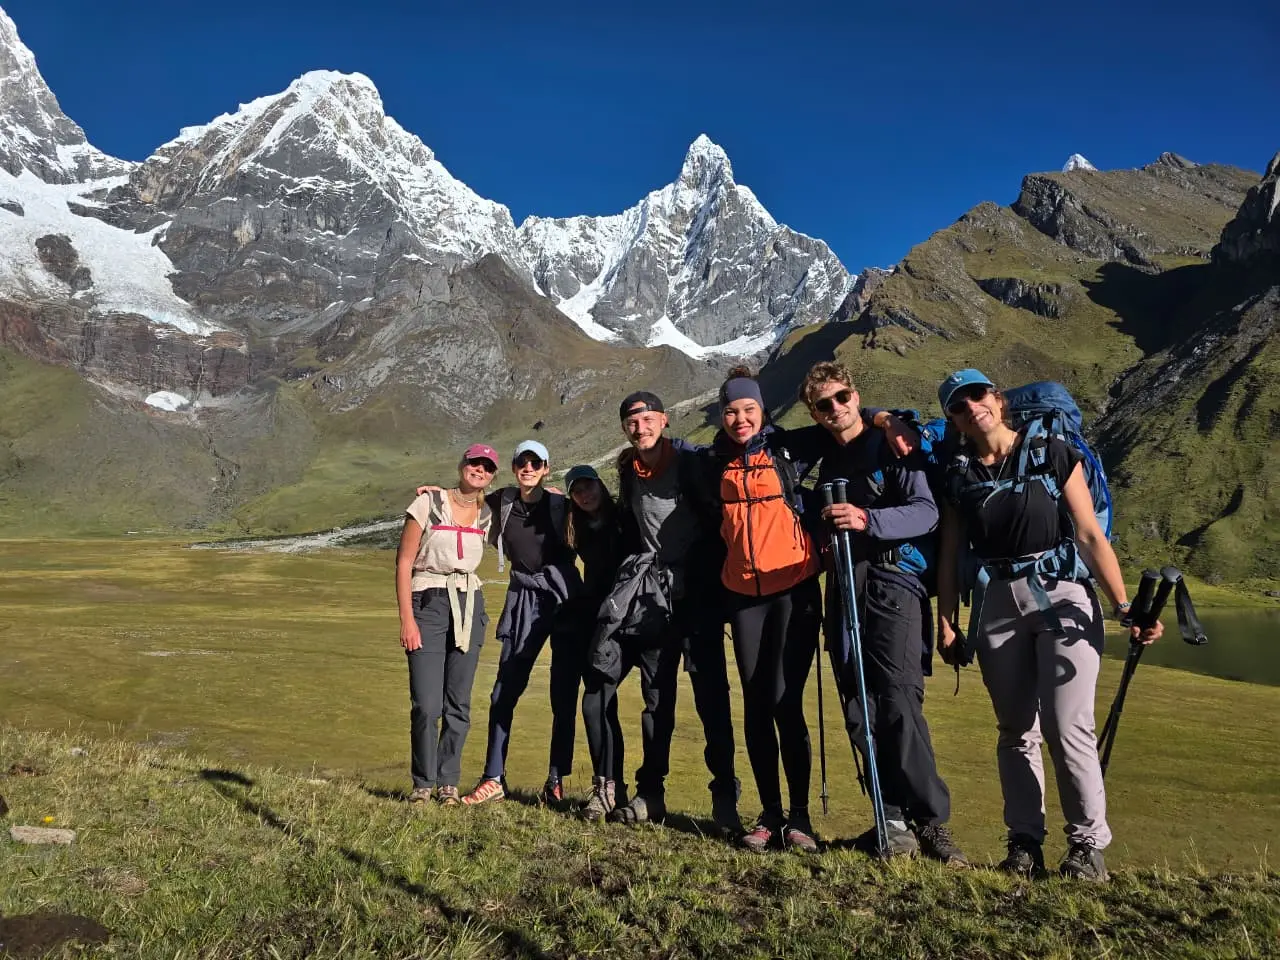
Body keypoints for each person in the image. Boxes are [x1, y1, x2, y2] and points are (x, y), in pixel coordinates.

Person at [934, 368, 1163, 881]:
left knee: (1067, 725)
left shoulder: (1054, 452)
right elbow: (949, 556)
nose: (972, 407)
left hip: (1063, 594)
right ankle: (1024, 844)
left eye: (977, 394)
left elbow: (1088, 534)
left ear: (996, 397)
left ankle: (1087, 846)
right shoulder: (958, 475)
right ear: (954, 419)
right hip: (997, 604)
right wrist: (946, 622)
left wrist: (1124, 606)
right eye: (958, 404)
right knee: (1015, 729)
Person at [794, 362, 966, 864]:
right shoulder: (826, 451)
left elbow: (926, 511)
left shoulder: (892, 445)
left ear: (855, 394)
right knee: (857, 702)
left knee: (897, 699)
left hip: (894, 581)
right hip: (844, 584)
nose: (835, 409)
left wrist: (867, 517)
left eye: (842, 398)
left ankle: (930, 821)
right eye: (823, 405)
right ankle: (889, 820)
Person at [581, 391, 741, 831]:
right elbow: (630, 530)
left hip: (699, 596)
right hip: (654, 599)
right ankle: (651, 793)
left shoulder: (692, 462)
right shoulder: (628, 472)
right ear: (624, 428)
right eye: (632, 421)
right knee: (657, 699)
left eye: (647, 419)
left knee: (712, 699)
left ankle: (724, 799)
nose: (640, 427)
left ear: (664, 421)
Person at [709, 368, 824, 852]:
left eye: (748, 410)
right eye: (732, 411)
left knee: (785, 702)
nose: (740, 419)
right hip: (743, 597)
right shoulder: (712, 460)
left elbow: (848, 425)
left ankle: (799, 817)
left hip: (793, 591)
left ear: (762, 411)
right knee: (756, 705)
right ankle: (770, 814)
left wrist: (885, 417)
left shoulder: (789, 448)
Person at [459, 440, 583, 805]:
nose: (528, 467)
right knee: (504, 690)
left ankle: (556, 781)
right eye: (522, 462)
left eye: (536, 462)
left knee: (563, 692)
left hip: (564, 598)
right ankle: (493, 777)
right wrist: (435, 491)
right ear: (514, 467)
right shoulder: (502, 501)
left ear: (546, 468)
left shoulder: (562, 504)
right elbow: (464, 498)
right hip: (524, 596)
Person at [394, 443, 499, 805]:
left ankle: (448, 783)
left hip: (470, 603)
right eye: (474, 463)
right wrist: (407, 619)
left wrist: (550, 492)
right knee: (426, 703)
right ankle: (422, 783)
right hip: (428, 601)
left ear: (492, 475)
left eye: (487, 467)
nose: (479, 470)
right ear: (462, 465)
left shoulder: (490, 512)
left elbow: (527, 503)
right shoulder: (428, 503)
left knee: (459, 702)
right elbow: (404, 562)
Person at [557, 464, 630, 819]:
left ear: (600, 485)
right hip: (598, 621)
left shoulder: (625, 518)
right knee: (599, 703)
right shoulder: (578, 526)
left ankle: (617, 788)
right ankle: (610, 787)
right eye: (577, 491)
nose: (585, 494)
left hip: (631, 619)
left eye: (589, 486)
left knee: (600, 701)